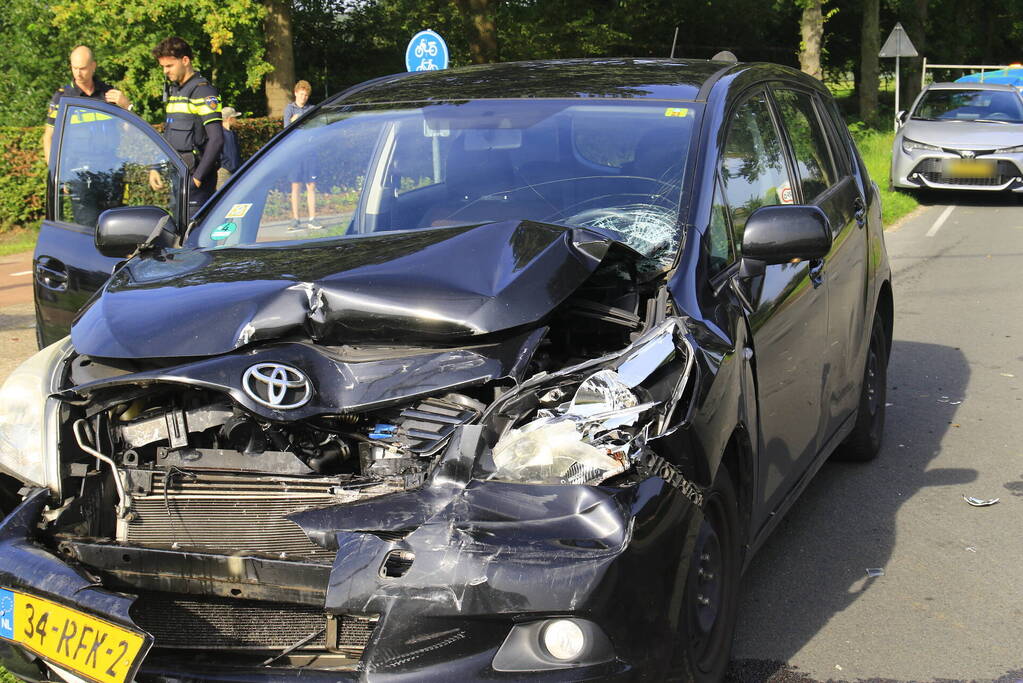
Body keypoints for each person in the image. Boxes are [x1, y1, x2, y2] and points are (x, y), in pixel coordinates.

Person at [148, 36, 223, 218]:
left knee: (194, 233)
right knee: (179, 231)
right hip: (178, 177)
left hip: (197, 183)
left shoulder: (203, 91)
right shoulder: (176, 91)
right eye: (163, 66)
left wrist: (197, 179)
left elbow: (217, 139)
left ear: (185, 60)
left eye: (169, 66)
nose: (165, 71)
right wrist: (155, 167)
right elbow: (169, 135)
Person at [42, 45, 131, 162]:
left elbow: (129, 131)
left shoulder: (108, 93)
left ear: (93, 66)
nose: (78, 74)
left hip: (109, 166)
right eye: (75, 68)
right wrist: (52, 170)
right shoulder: (62, 97)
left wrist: (126, 106)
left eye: (82, 68)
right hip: (75, 168)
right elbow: (49, 138)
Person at [283, 80, 320, 230]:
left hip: (309, 152)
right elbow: (287, 129)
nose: (303, 97)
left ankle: (312, 218)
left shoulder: (311, 109)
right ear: (296, 93)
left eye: (306, 95)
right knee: (296, 185)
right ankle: (295, 219)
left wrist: (298, 122)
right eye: (301, 94)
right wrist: (295, 122)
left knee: (311, 185)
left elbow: (315, 128)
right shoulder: (289, 108)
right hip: (295, 152)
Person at [218, 106, 242, 189]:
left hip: (234, 172)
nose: (236, 120)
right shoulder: (219, 134)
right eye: (235, 117)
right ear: (230, 118)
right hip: (223, 172)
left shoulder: (233, 134)